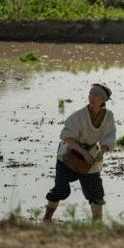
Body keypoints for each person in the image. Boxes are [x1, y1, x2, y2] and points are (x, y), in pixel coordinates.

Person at [43, 84, 116, 223]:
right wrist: (83, 152)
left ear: (103, 100)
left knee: (96, 194)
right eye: (90, 94)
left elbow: (110, 135)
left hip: (91, 158)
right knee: (60, 190)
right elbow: (66, 137)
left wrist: (103, 150)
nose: (92, 97)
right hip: (69, 155)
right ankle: (46, 219)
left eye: (96, 95)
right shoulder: (78, 115)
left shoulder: (108, 116)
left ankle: (97, 225)